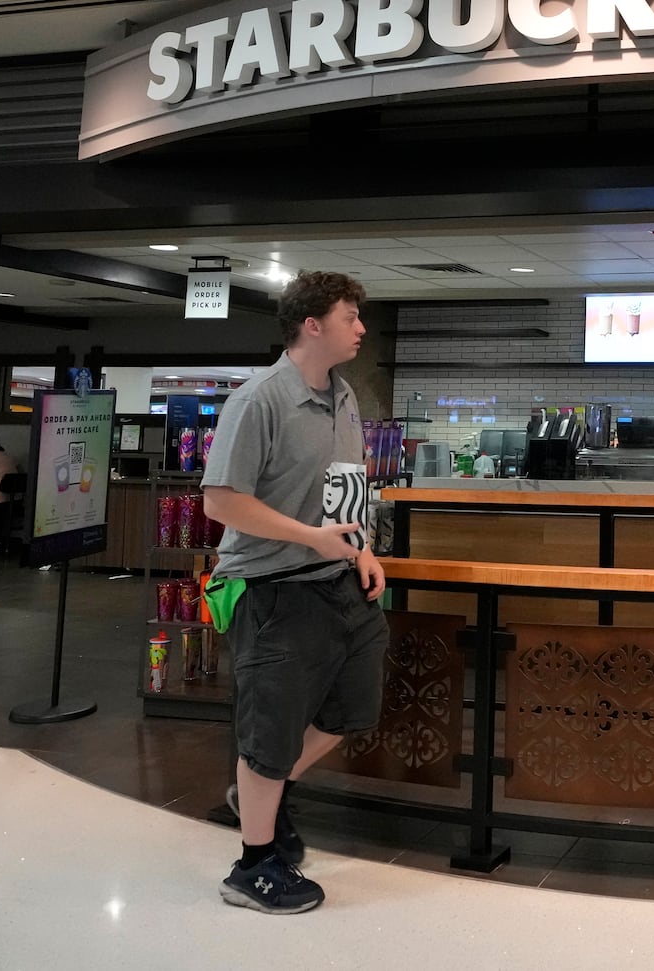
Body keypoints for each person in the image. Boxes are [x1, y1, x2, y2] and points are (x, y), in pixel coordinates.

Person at [201, 271, 388, 914]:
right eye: (350, 316)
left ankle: (261, 795)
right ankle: (251, 867)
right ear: (313, 324)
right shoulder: (258, 401)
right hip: (274, 591)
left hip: (340, 586)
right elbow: (222, 501)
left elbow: (342, 491)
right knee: (270, 732)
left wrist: (361, 550)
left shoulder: (345, 398)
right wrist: (311, 538)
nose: (361, 328)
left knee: (351, 712)